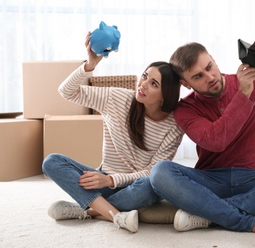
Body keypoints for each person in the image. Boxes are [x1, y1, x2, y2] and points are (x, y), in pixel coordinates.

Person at [150, 36, 255, 235]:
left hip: (254, 179)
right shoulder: (185, 109)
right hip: (210, 180)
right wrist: (243, 94)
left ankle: (208, 213)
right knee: (160, 172)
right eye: (198, 77)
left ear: (213, 59)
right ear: (185, 84)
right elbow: (216, 141)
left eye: (209, 66)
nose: (210, 77)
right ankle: (246, 222)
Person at [42, 32, 183, 233]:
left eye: (154, 84)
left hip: (135, 186)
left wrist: (111, 180)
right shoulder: (116, 98)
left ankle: (91, 210)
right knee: (51, 162)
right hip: (102, 180)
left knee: (151, 187)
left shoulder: (174, 126)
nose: (143, 84)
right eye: (145, 76)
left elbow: (153, 171)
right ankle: (116, 215)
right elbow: (67, 91)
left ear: (165, 95)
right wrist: (89, 65)